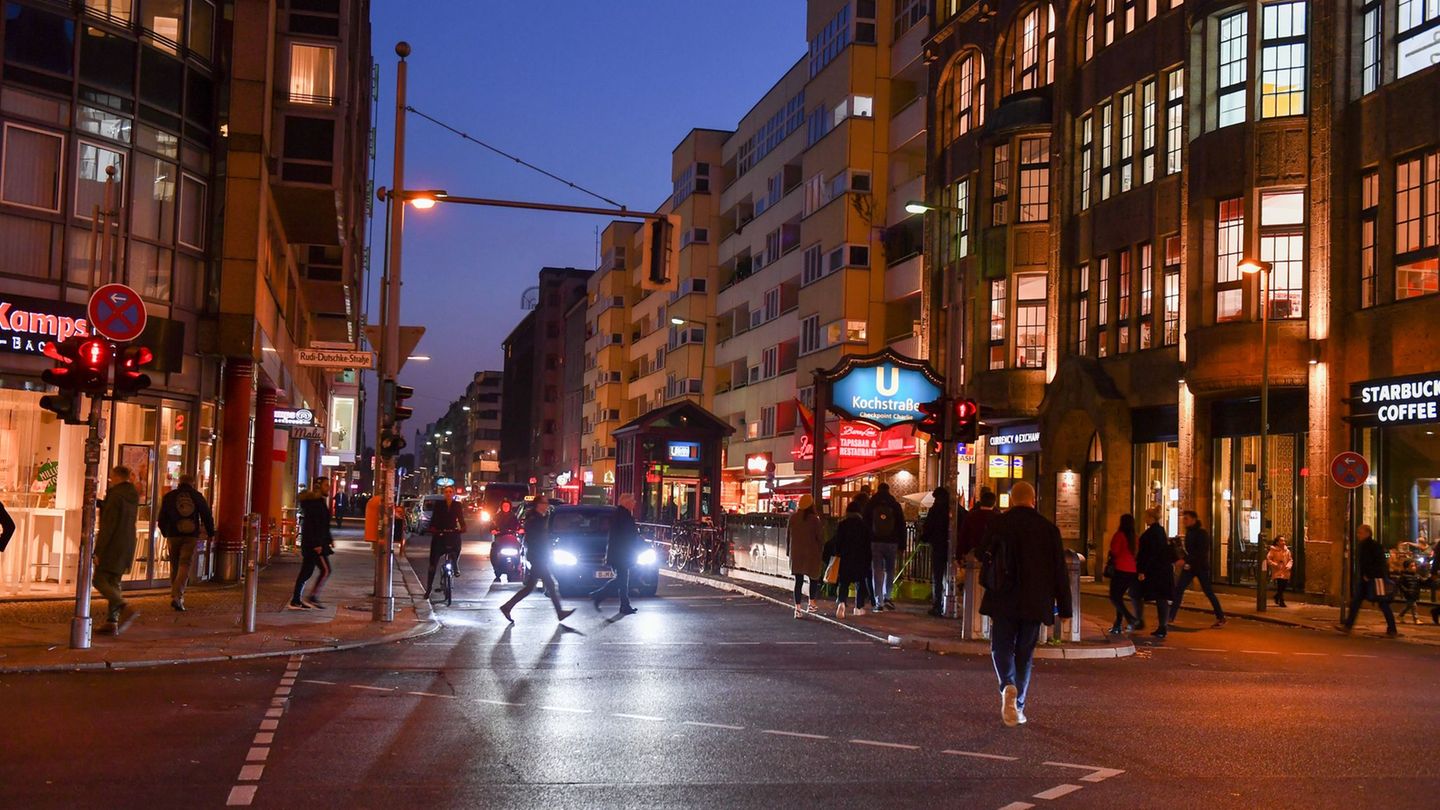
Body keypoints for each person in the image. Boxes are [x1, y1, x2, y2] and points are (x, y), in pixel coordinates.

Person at [976, 481, 1071, 728]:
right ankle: (1018, 706)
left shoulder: (999, 523)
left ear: (1011, 499)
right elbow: (1060, 571)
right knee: (1025, 653)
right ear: (1033, 500)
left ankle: (1007, 685)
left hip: (1003, 596)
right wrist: (1065, 608)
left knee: (1001, 646)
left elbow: (980, 553)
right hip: (1035, 600)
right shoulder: (1048, 529)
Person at [500, 494, 574, 623]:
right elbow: (534, 540)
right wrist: (542, 553)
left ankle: (507, 607)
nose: (546, 506)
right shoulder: (534, 519)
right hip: (537, 557)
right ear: (538, 505)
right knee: (547, 585)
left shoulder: (541, 517)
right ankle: (560, 612)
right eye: (544, 503)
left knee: (533, 587)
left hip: (540, 556)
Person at [92, 466, 141, 635]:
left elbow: (109, 525)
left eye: (111, 476)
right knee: (114, 581)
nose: (110, 479)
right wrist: (102, 505)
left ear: (116, 476)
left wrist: (97, 550)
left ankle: (123, 606)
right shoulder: (131, 494)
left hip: (113, 544)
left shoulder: (115, 495)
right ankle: (112, 622)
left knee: (99, 580)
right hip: (127, 542)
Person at [157, 474, 215, 612]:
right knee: (185, 563)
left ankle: (175, 594)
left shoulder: (170, 496)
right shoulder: (196, 496)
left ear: (179, 482)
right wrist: (210, 533)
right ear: (192, 483)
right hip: (190, 535)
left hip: (173, 534)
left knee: (174, 564)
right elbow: (206, 514)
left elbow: (161, 517)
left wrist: (166, 532)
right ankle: (178, 595)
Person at [1169, 510, 1226, 628]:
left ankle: (1220, 616)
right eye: (1184, 518)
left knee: (1208, 592)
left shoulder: (1202, 533)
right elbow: (1190, 552)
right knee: (1179, 589)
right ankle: (1170, 617)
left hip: (1200, 567)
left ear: (1194, 519)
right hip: (1190, 566)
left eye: (1186, 519)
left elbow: (1200, 552)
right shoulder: (1189, 533)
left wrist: (1185, 560)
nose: (1184, 521)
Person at [1340, 524, 1398, 637]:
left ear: (1367, 533)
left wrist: (1369, 575)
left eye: (1360, 533)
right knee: (1357, 602)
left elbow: (1378, 563)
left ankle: (1392, 629)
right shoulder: (1365, 545)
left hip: (1374, 579)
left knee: (1382, 603)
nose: (1358, 535)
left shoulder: (1372, 546)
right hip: (1368, 579)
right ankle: (1348, 625)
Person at [592, 494, 641, 614]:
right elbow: (627, 536)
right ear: (626, 502)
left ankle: (625, 605)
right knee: (621, 580)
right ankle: (599, 595)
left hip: (620, 553)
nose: (634, 503)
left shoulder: (621, 514)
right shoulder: (623, 516)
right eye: (632, 501)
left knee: (623, 580)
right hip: (621, 554)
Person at [291, 478, 335, 610]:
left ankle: (296, 600)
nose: (328, 487)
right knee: (326, 570)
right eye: (326, 485)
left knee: (307, 571)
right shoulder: (315, 504)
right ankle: (312, 597)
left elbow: (323, 525)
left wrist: (329, 539)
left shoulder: (318, 503)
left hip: (315, 543)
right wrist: (318, 543)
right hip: (315, 545)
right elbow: (313, 526)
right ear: (318, 486)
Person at [863, 482, 904, 611]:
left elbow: (865, 524)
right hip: (892, 542)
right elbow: (901, 525)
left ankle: (878, 601)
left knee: (877, 570)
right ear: (888, 490)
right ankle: (888, 596)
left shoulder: (871, 504)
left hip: (875, 541)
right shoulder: (894, 504)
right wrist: (901, 544)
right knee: (890, 570)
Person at [1134, 507, 1174, 638]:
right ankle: (1161, 625)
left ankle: (1157, 625)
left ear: (1151, 518)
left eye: (1146, 517)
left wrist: (1141, 570)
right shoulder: (1160, 531)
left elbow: (1148, 554)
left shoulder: (1152, 533)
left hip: (1155, 571)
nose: (1145, 519)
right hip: (1161, 570)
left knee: (1157, 597)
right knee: (1160, 598)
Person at [829, 500, 873, 619]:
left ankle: (842, 602)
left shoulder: (842, 524)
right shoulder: (864, 526)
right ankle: (858, 607)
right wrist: (868, 560)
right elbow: (868, 545)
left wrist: (838, 554)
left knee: (844, 583)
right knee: (860, 583)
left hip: (845, 558)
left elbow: (837, 543)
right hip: (860, 558)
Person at [423, 485, 467, 600]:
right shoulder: (439, 505)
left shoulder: (457, 505)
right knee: (433, 564)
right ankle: (428, 589)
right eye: (446, 492)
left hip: (452, 533)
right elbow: (434, 519)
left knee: (456, 546)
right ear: (444, 493)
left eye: (450, 492)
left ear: (453, 494)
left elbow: (461, 519)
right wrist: (432, 528)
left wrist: (463, 527)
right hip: (440, 533)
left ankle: (455, 565)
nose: (448, 494)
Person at [787, 494, 825, 618]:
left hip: (796, 554)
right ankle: (811, 603)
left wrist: (789, 552)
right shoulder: (815, 520)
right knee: (813, 578)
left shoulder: (793, 518)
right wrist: (821, 551)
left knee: (798, 581)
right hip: (812, 553)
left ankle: (797, 609)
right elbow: (820, 538)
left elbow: (788, 537)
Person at [1106, 513, 1141, 634]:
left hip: (1120, 569)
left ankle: (1129, 618)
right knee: (1118, 597)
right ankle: (1118, 624)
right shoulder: (1135, 537)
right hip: (1131, 570)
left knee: (1114, 596)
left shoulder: (1119, 535)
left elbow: (1114, 551)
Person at [921, 487, 951, 616]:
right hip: (951, 546)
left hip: (938, 545)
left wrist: (924, 537)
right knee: (950, 576)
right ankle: (948, 603)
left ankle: (938, 604)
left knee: (938, 576)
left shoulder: (935, 510)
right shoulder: (954, 509)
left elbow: (929, 526)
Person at [957, 488, 997, 561]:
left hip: (971, 553)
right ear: (994, 503)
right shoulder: (997, 518)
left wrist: (959, 555)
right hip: (991, 556)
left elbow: (963, 535)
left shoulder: (971, 516)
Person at [1266, 535, 1294, 608]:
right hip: (1277, 570)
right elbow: (1269, 559)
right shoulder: (1273, 550)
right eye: (1281, 541)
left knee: (1284, 586)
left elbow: (1290, 559)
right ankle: (1281, 601)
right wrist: (1275, 564)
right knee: (1280, 585)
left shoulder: (1287, 551)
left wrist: (1289, 565)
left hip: (1285, 570)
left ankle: (1276, 596)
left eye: (1284, 540)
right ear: (1277, 542)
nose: (1283, 542)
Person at [1395, 560, 1423, 624]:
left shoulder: (1417, 575)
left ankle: (1400, 615)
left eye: (1415, 565)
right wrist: (1406, 591)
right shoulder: (1404, 576)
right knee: (1414, 605)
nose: (1414, 567)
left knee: (1408, 606)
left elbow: (1423, 581)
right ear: (1407, 568)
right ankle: (1416, 619)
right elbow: (1400, 584)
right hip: (1408, 594)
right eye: (1412, 566)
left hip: (1414, 593)